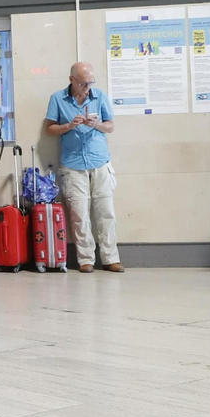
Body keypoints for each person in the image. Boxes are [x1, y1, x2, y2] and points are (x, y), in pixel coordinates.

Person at [44, 62, 123, 273]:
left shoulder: (99, 96)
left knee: (106, 212)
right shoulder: (58, 99)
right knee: (79, 214)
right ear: (72, 80)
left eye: (90, 83)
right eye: (83, 83)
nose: (87, 87)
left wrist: (95, 124)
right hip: (73, 164)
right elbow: (49, 129)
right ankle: (85, 259)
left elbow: (110, 126)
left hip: (100, 161)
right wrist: (69, 126)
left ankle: (110, 258)